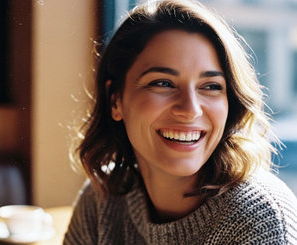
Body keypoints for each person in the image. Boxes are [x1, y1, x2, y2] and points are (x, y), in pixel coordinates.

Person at [63, 0, 297, 244]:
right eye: (163, 83)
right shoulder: (101, 199)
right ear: (116, 101)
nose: (190, 110)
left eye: (211, 86)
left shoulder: (260, 219)